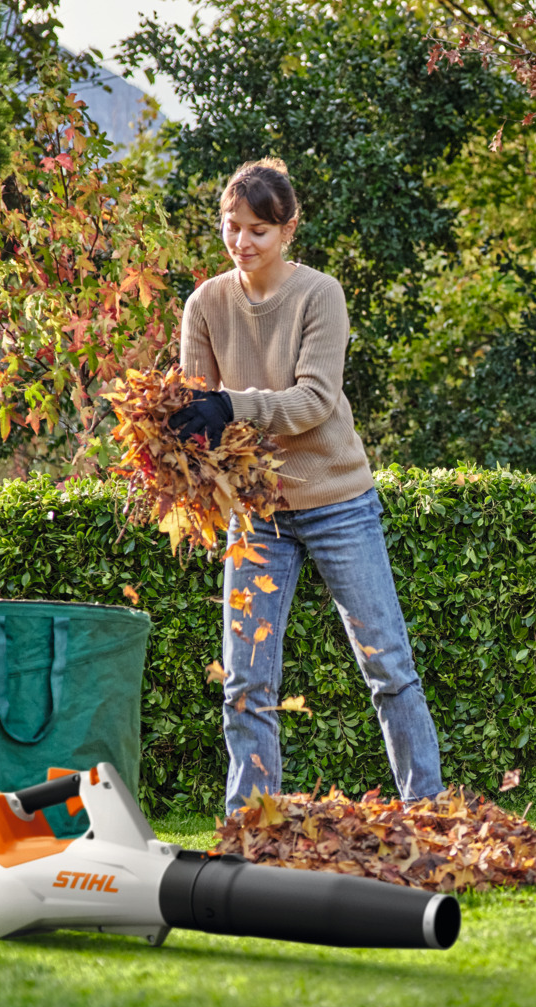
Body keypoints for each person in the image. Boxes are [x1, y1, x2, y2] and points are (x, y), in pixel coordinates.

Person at [168, 158, 444, 808]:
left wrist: (231, 405)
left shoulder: (320, 295)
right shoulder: (205, 303)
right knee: (245, 680)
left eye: (259, 230)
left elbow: (312, 401)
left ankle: (427, 812)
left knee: (387, 666)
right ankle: (250, 821)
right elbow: (196, 401)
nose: (243, 242)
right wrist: (184, 432)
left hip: (337, 501)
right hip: (256, 512)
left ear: (289, 229)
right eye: (233, 227)